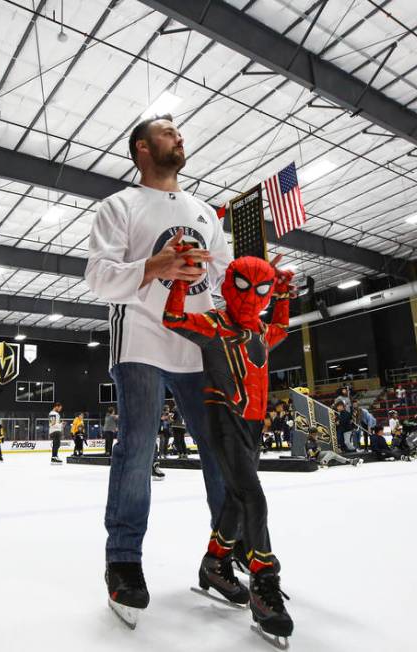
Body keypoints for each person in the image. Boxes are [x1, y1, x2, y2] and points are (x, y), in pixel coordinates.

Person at [84, 113, 233, 625]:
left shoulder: (204, 213)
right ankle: (123, 561)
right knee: (139, 444)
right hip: (142, 337)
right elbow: (99, 278)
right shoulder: (118, 206)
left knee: (220, 450)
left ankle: (222, 555)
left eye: (180, 132)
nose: (180, 137)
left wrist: (264, 294)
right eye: (168, 132)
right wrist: (155, 266)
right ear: (142, 148)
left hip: (199, 346)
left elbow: (225, 281)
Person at [162, 251, 295, 639]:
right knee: (252, 496)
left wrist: (284, 296)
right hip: (224, 418)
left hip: (253, 425)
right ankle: (263, 581)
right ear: (227, 285)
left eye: (262, 289)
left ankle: (214, 563)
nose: (252, 295)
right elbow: (172, 319)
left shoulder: (260, 332)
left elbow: (281, 329)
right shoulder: (214, 325)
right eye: (243, 286)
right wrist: (183, 282)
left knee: (237, 500)